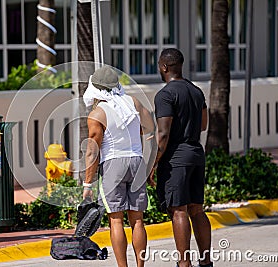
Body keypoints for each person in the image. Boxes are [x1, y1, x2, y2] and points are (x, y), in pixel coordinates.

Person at [82, 66, 154, 267]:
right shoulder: (133, 102)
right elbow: (150, 125)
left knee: (116, 220)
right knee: (137, 220)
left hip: (114, 163)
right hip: (136, 161)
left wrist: (87, 185)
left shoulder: (97, 114)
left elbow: (92, 151)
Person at [149, 48, 212, 267]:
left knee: (179, 210)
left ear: (164, 67)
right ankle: (206, 262)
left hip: (176, 157)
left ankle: (183, 263)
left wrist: (153, 163)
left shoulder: (165, 94)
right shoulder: (196, 91)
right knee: (197, 209)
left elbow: (163, 134)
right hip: (196, 153)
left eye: (159, 65)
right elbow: (203, 125)